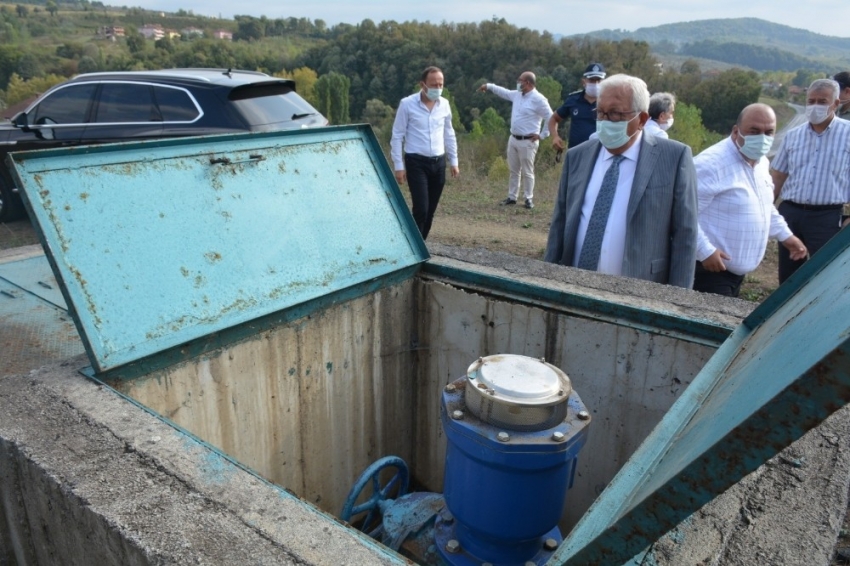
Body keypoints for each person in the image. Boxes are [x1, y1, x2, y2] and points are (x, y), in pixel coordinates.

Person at [544, 74, 698, 288]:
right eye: (600, 112)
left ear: (642, 120)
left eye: (615, 114)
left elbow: (685, 235)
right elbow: (560, 224)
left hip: (640, 293)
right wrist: (546, 281)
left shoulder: (673, 158)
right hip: (574, 288)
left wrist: (677, 303)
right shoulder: (577, 156)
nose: (605, 121)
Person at [693, 103, 807, 297]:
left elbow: (764, 207)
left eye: (769, 132)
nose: (761, 138)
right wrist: (705, 251)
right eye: (754, 131)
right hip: (709, 271)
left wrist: (787, 237)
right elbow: (682, 215)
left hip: (735, 275)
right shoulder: (711, 165)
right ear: (736, 131)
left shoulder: (761, 162)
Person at [770, 78, 850, 283]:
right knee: (788, 276)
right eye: (811, 101)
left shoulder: (847, 134)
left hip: (827, 217)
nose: (815, 107)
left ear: (836, 103)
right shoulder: (793, 136)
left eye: (822, 101)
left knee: (824, 275)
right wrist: (766, 208)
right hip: (791, 212)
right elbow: (778, 175)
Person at [390, 66, 460, 239]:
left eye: (440, 84)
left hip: (438, 162)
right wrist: (399, 166)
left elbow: (449, 133)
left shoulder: (444, 104)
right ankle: (413, 244)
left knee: (430, 211)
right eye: (433, 84)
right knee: (420, 208)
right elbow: (397, 135)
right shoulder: (407, 104)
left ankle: (421, 243)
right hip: (416, 162)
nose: (437, 88)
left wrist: (454, 161)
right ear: (423, 84)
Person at [478, 72, 552, 209]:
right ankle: (512, 197)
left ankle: (528, 199)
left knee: (527, 171)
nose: (518, 82)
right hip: (513, 138)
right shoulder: (517, 95)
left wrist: (542, 135)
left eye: (520, 80)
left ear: (528, 83)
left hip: (528, 141)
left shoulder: (539, 99)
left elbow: (551, 117)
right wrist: (488, 86)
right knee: (514, 170)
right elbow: (504, 92)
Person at [548, 63, 606, 151]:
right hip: (576, 151)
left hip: (601, 151)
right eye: (591, 80)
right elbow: (554, 119)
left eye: (598, 80)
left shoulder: (609, 102)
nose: (595, 84)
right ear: (584, 82)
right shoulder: (573, 100)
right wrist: (555, 137)